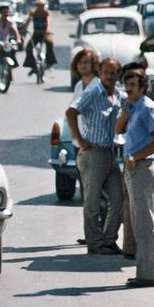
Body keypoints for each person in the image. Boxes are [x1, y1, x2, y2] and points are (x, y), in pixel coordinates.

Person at [66, 58, 124, 254]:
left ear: (117, 74)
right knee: (92, 202)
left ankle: (109, 240)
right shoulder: (93, 91)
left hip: (109, 153)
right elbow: (71, 111)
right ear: (100, 72)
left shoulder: (117, 94)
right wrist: (79, 140)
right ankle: (95, 243)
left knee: (119, 199)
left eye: (113, 72)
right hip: (92, 153)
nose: (109, 76)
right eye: (106, 72)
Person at [116, 69, 154, 287]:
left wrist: (135, 156)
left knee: (145, 224)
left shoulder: (148, 108)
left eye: (132, 84)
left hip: (143, 166)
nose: (128, 88)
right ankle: (147, 271)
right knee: (139, 223)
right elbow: (117, 128)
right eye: (126, 84)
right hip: (134, 167)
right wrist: (125, 110)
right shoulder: (134, 108)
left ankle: (149, 275)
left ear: (142, 87)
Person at [22, 0, 57, 75]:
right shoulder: (34, 13)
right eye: (39, 6)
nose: (41, 8)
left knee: (49, 44)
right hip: (36, 34)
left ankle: (49, 62)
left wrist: (47, 30)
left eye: (42, 6)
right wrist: (24, 29)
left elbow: (48, 22)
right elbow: (28, 21)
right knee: (28, 48)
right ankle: (33, 65)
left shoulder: (46, 13)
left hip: (45, 34)